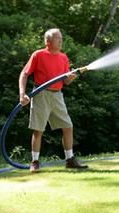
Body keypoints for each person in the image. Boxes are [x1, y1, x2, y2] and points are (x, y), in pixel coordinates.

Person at [19, 28, 88, 172]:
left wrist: (70, 78)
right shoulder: (38, 55)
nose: (61, 41)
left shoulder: (63, 57)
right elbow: (24, 74)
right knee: (38, 130)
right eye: (58, 38)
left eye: (61, 38)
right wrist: (22, 94)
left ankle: (70, 160)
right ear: (48, 41)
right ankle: (35, 162)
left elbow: (65, 81)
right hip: (40, 94)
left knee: (68, 126)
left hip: (57, 95)